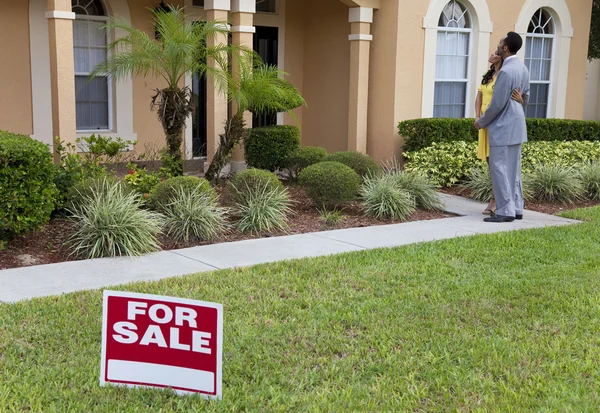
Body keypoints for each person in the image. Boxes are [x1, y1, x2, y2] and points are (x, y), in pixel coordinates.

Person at [474, 32, 530, 223]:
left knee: (499, 168)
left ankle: (505, 211)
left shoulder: (506, 72)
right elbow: (526, 98)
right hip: (518, 126)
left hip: (503, 128)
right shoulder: (522, 68)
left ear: (506, 48)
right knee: (513, 170)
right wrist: (521, 101)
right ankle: (517, 207)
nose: (497, 46)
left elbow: (497, 104)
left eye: (500, 44)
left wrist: (480, 122)